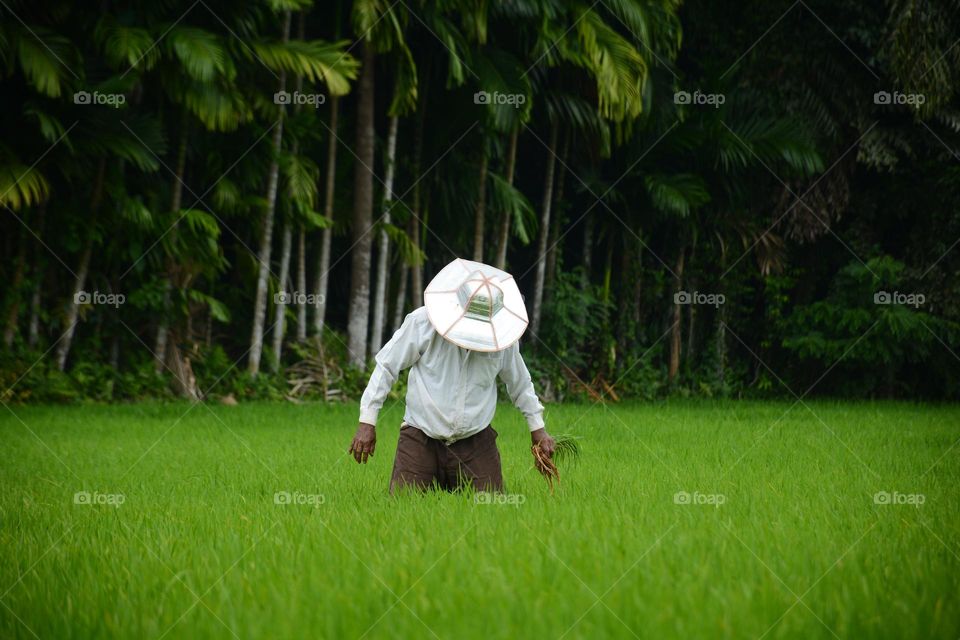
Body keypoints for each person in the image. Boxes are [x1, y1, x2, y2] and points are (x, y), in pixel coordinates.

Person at [349, 258, 556, 492]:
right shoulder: (422, 322)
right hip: (421, 436)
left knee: (491, 513)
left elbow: (520, 385)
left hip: (476, 441)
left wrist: (537, 428)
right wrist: (367, 421)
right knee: (404, 509)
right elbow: (386, 366)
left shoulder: (503, 338)